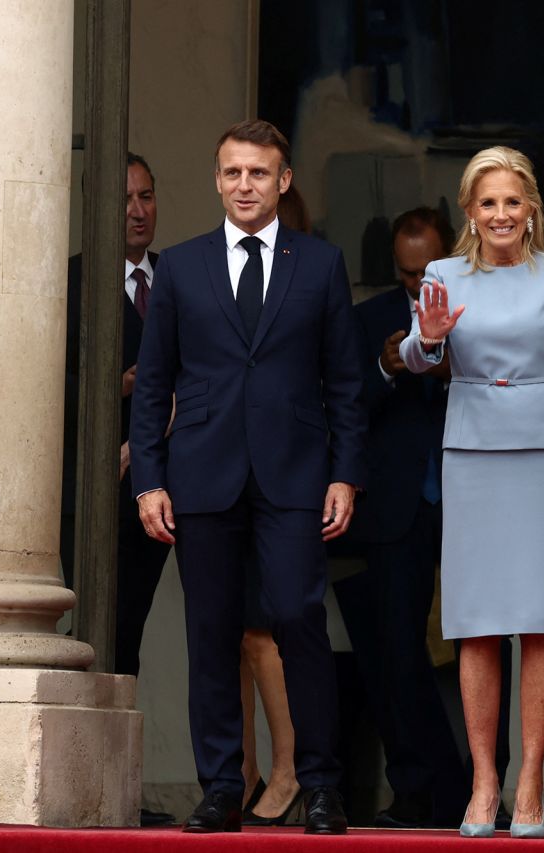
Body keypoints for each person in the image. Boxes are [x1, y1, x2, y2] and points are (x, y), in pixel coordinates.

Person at [130, 119, 365, 835]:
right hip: (201, 474)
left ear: (283, 181)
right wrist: (149, 479)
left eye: (258, 174)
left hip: (295, 475)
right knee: (211, 632)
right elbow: (153, 385)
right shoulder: (181, 266)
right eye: (232, 172)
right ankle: (222, 786)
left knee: (299, 621)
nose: (244, 185)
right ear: (216, 178)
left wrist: (345, 474)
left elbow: (346, 382)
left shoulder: (319, 264)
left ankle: (321, 785)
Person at [401, 146, 544, 839]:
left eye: (513, 201)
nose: (501, 214)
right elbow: (417, 354)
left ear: (532, 207)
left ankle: (531, 780)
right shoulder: (443, 273)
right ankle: (484, 779)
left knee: (539, 621)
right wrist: (425, 342)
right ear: (469, 210)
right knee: (477, 621)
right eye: (488, 202)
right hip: (474, 452)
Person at [337, 206, 469, 829]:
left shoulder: (483, 308)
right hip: (395, 511)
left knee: (484, 649)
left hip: (475, 503)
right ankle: (418, 789)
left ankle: (484, 788)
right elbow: (343, 407)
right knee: (395, 654)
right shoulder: (370, 320)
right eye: (406, 274)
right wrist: (390, 368)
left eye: (428, 272)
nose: (418, 286)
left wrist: (455, 371)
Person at [60, 152, 175, 826]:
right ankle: (87, 786)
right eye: (124, 198)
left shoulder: (176, 279)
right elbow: (43, 383)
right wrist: (118, 387)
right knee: (95, 635)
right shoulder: (70, 279)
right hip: (92, 487)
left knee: (129, 632)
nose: (137, 209)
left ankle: (118, 790)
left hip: (161, 487)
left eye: (147, 195)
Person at [237, 183, 315, 827]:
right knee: (232, 634)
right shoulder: (209, 269)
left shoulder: (312, 274)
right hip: (224, 481)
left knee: (269, 632)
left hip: (287, 480)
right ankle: (242, 773)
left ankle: (289, 772)